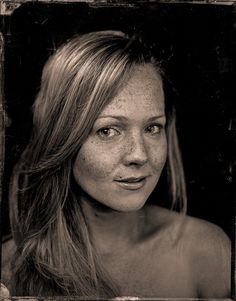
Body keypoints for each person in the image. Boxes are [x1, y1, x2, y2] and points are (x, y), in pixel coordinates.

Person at [8, 31, 231, 298]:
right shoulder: (10, 269)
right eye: (108, 131)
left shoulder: (206, 252)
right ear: (62, 137)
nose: (139, 155)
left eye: (152, 127)